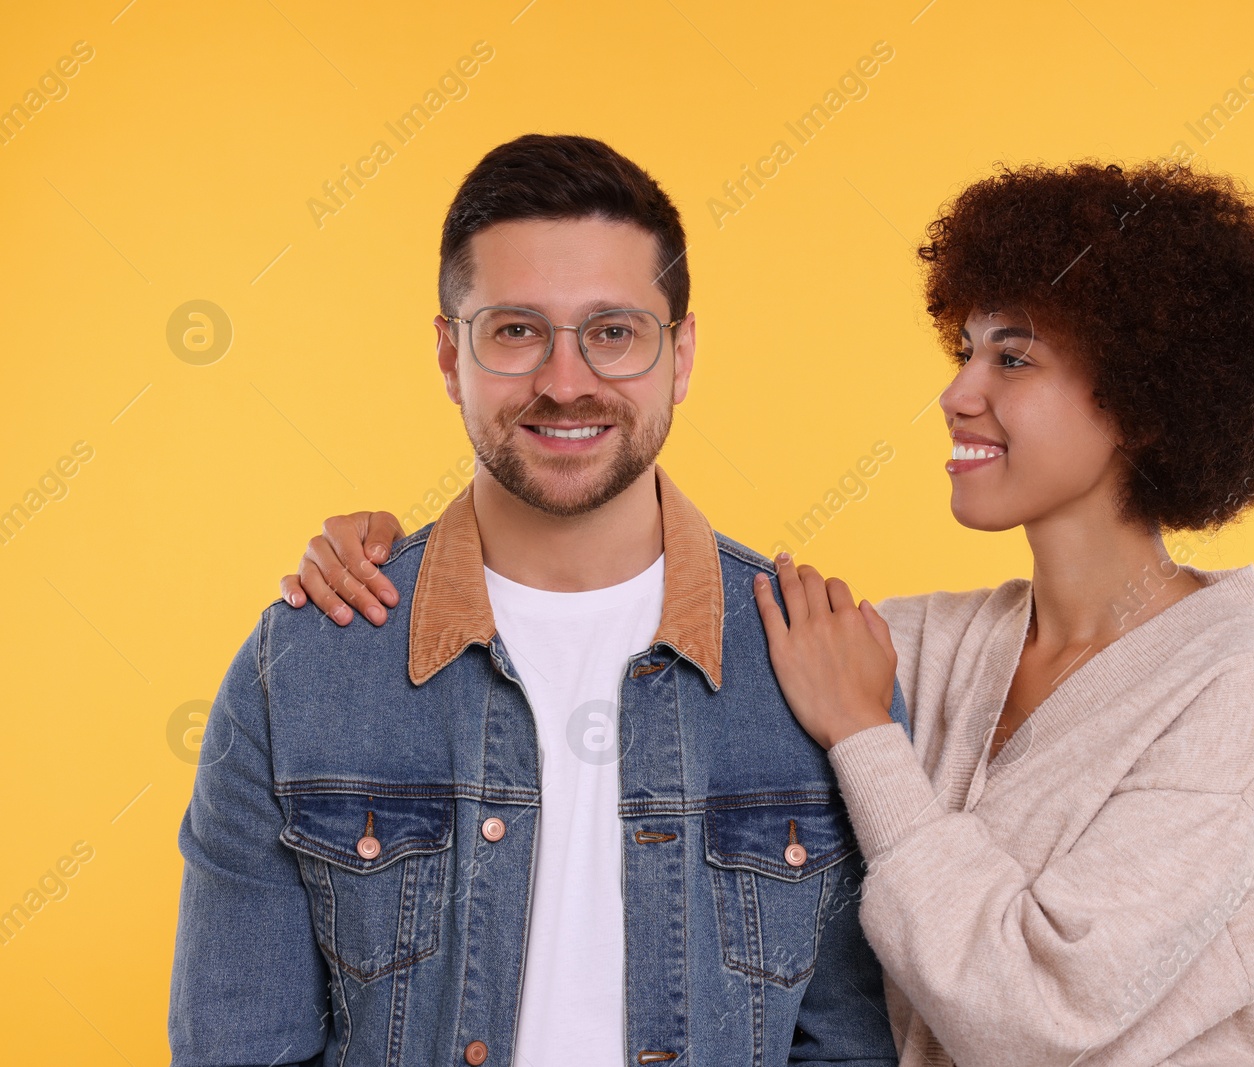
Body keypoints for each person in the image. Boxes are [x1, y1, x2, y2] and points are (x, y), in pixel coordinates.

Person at [285, 159, 1254, 1066]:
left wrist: (866, 734)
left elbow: (1038, 1012)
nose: (958, 391)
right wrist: (416, 556)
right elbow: (694, 615)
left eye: (1011, 358)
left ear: (1148, 396)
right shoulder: (926, 644)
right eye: (964, 349)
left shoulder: (1240, 680)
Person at [169, 133, 902, 1067]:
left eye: (613, 332)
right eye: (516, 330)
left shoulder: (813, 662)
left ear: (680, 354)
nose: (566, 382)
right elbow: (239, 1050)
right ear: (448, 353)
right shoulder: (307, 666)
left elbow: (852, 1047)